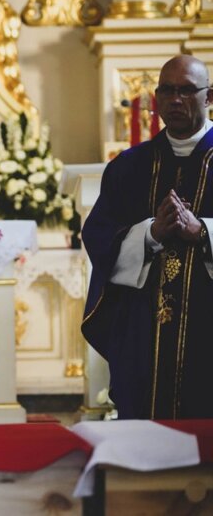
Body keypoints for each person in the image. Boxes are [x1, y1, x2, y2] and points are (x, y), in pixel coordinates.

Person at [83, 54, 213, 419]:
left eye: (187, 90)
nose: (175, 100)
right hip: (143, 331)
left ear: (209, 96)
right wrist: (150, 234)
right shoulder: (129, 167)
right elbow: (99, 235)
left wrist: (202, 232)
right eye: (167, 91)